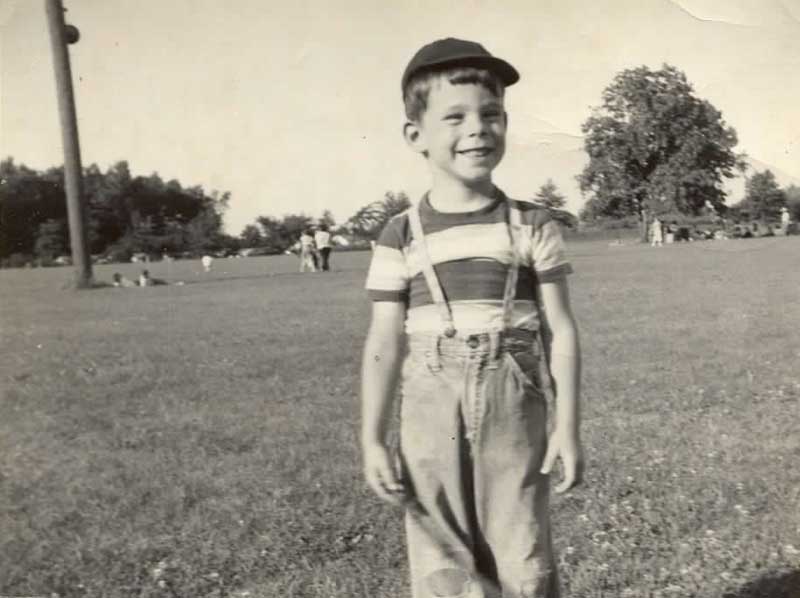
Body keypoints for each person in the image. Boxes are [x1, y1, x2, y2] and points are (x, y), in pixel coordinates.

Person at [361, 38, 583, 598]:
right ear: (415, 134)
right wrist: (372, 438)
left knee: (523, 555)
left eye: (492, 114)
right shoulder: (400, 234)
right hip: (428, 410)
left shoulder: (532, 224)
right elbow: (384, 341)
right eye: (455, 117)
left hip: (514, 402)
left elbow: (560, 329)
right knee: (441, 560)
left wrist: (568, 426)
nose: (478, 129)